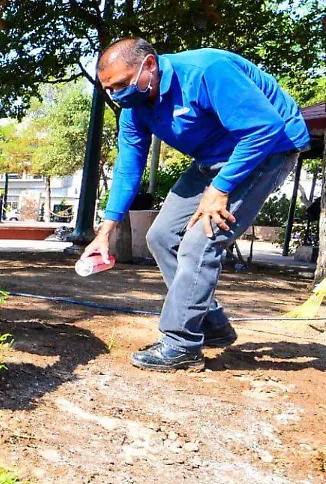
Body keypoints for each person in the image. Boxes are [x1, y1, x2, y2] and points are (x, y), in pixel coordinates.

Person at [86, 40, 310, 372]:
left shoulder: (206, 72)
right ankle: (212, 325)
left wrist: (220, 190)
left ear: (149, 65)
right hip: (211, 157)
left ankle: (181, 345)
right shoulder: (135, 109)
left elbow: (265, 127)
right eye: (109, 89)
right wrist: (105, 230)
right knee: (161, 236)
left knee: (201, 239)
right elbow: (128, 166)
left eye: (122, 83)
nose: (117, 94)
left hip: (268, 149)